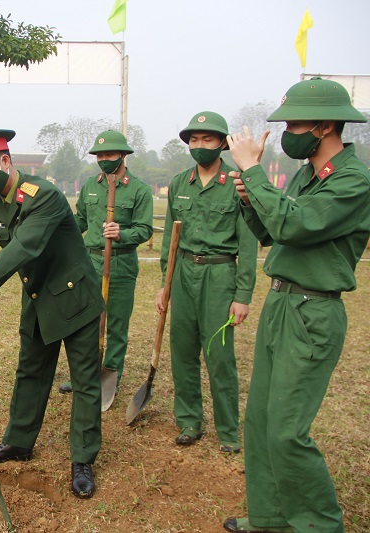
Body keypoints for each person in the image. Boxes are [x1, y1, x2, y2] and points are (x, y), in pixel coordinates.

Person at [223, 78, 370, 533]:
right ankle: (271, 517)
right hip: (282, 302)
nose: (286, 131)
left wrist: (253, 173)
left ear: (325, 125)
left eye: (293, 123)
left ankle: (320, 525)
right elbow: (271, 231)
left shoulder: (354, 180)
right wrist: (250, 199)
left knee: (287, 430)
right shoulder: (309, 174)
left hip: (313, 312)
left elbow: (297, 224)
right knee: (262, 420)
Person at [0, 129, 103, 498]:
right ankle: (19, 443)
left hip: (75, 297)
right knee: (31, 370)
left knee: (85, 380)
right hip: (39, 296)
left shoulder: (44, 197)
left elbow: (24, 247)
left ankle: (83, 459)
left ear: (6, 161)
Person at [155, 112, 257, 453]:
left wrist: (242, 295)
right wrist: (164, 285)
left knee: (219, 355)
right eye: (194, 140)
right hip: (183, 272)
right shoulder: (180, 183)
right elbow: (171, 236)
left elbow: (247, 244)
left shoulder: (237, 183)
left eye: (208, 140)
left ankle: (228, 431)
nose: (200, 146)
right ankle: (189, 421)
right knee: (182, 350)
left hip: (219, 274)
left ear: (223, 143)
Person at [59, 130, 153, 394]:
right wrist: (61, 235)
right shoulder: (90, 186)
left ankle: (110, 377)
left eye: (109, 154)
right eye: (99, 155)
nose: (104, 159)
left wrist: (122, 233)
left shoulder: (139, 189)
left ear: (123, 155)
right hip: (92, 263)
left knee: (117, 326)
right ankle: (83, 376)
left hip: (121, 264)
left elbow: (145, 229)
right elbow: (80, 220)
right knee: (87, 322)